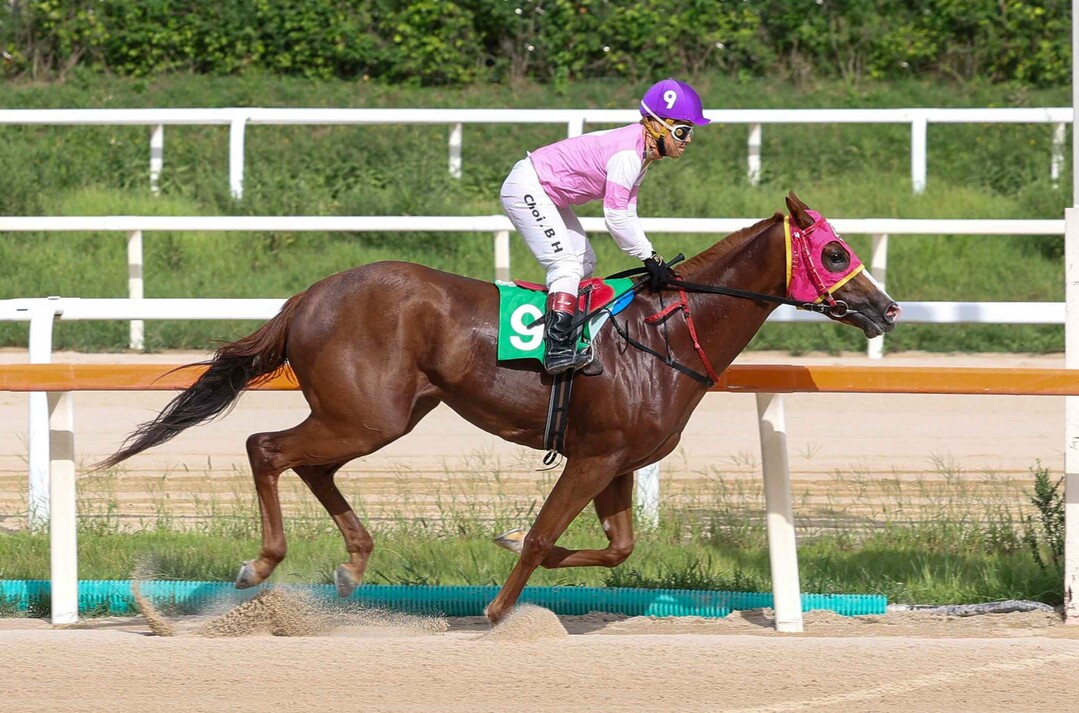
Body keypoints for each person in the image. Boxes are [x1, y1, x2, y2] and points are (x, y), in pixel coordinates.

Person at [500, 77, 710, 374]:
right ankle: (557, 350)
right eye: (683, 131)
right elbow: (615, 217)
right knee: (566, 267)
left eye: (689, 132)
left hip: (546, 194)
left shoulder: (641, 155)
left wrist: (651, 255)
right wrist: (649, 257)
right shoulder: (628, 156)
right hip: (528, 188)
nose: (688, 139)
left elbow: (627, 212)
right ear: (656, 125)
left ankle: (556, 329)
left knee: (585, 262)